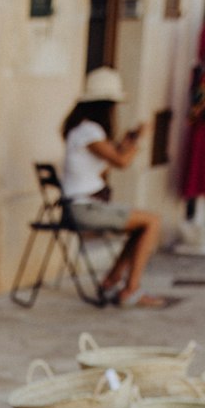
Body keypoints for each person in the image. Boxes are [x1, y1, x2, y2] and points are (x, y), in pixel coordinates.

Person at [61, 66, 163, 308]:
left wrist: (127, 142)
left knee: (143, 225)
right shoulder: (89, 131)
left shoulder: (82, 131)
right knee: (153, 222)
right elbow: (122, 162)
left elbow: (112, 158)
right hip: (84, 208)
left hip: (83, 206)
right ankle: (130, 289)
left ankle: (113, 279)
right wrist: (139, 139)